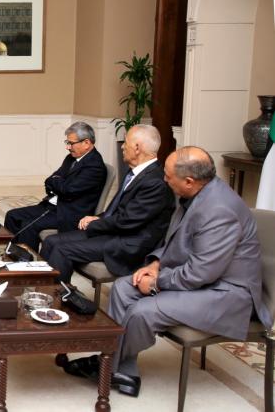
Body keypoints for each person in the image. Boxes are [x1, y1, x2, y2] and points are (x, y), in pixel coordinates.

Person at [62, 146, 273, 398]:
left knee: (142, 311)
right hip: (203, 280)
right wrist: (156, 264)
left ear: (189, 181)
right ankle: (122, 369)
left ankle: (106, 363)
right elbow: (178, 240)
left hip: (227, 294)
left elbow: (201, 273)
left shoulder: (220, 210)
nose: (164, 179)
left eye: (168, 176)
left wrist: (156, 282)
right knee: (122, 287)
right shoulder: (195, 193)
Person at [40, 125, 174, 283]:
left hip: (128, 244)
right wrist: (97, 217)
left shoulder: (154, 182)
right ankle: (42, 289)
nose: (122, 146)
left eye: (126, 142)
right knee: (51, 241)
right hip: (114, 232)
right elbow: (119, 210)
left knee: (62, 250)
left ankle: (57, 295)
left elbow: (127, 221)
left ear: (137, 148)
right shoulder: (136, 172)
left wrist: (95, 224)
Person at [4, 121, 107, 251]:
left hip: (69, 214)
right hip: (53, 206)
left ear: (86, 143)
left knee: (28, 225)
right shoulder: (71, 158)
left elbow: (68, 190)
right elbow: (50, 180)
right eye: (67, 142)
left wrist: (58, 183)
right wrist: (58, 183)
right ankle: (11, 253)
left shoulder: (95, 166)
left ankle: (27, 260)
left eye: (71, 143)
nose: (68, 147)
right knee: (12, 215)